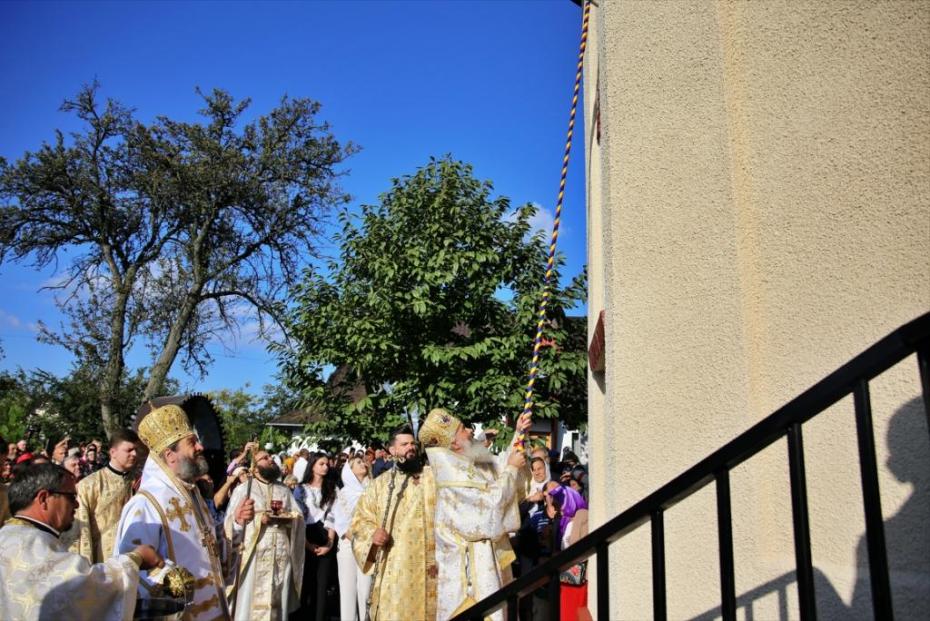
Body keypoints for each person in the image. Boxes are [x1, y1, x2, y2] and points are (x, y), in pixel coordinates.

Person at [0, 462, 163, 620]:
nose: (77, 504)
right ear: (43, 498)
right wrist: (135, 558)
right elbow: (82, 587)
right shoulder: (32, 544)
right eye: (71, 497)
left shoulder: (9, 536)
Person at [113, 403, 230, 620]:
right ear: (170, 455)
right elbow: (129, 570)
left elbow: (211, 548)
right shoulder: (145, 504)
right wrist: (173, 580)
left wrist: (238, 522)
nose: (200, 447)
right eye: (192, 442)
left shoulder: (194, 494)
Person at [421, 408, 530, 621]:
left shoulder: (466, 465)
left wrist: (519, 434)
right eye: (462, 429)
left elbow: (498, 470)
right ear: (453, 443)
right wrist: (512, 469)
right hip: (471, 575)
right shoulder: (453, 479)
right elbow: (489, 510)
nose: (470, 431)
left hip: (487, 563)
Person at [350, 424, 438, 621]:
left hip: (432, 568)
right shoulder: (380, 485)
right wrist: (373, 534)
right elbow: (360, 520)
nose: (411, 447)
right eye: (404, 444)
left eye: (413, 444)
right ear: (392, 450)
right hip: (396, 569)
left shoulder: (433, 477)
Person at [225, 449, 305, 620]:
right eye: (265, 458)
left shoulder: (283, 489)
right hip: (253, 554)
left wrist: (288, 517)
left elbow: (298, 516)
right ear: (254, 467)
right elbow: (230, 522)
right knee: (248, 602)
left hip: (280, 555)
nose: (271, 459)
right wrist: (259, 518)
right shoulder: (244, 489)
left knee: (277, 598)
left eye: (270, 456)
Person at [65, 429, 140, 564]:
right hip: (104, 560)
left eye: (135, 450)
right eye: (129, 450)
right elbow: (82, 529)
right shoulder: (90, 485)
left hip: (135, 555)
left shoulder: (139, 482)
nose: (134, 454)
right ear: (113, 452)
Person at [296, 451, 338, 620]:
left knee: (322, 584)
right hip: (305, 536)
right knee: (306, 582)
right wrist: (306, 544)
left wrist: (329, 543)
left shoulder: (332, 488)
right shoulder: (301, 490)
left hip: (325, 535)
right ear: (312, 465)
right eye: (321, 463)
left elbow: (335, 516)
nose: (325, 467)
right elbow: (297, 518)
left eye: (327, 464)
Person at [333, 455, 373, 621]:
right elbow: (341, 523)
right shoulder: (344, 493)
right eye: (358, 462)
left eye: (363, 461)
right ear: (349, 470)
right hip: (349, 544)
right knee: (348, 590)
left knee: (366, 589)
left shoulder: (375, 489)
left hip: (370, 545)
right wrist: (356, 539)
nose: (363, 463)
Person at [548, 485, 590, 621]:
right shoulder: (565, 520)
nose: (558, 507)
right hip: (566, 577)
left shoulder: (582, 514)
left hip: (577, 577)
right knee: (566, 614)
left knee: (577, 613)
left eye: (560, 503)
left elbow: (582, 546)